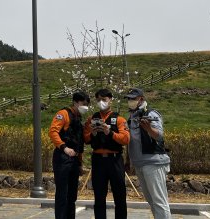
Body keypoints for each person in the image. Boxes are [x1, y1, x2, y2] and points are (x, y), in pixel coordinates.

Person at [124, 88, 171, 219]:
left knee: (159, 201)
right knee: (151, 201)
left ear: (141, 99)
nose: (130, 101)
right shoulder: (131, 118)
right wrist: (128, 161)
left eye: (133, 98)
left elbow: (159, 136)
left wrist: (148, 128)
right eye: (129, 98)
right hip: (139, 164)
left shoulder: (151, 114)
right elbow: (131, 141)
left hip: (153, 162)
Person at [84, 88, 130, 219]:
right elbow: (86, 139)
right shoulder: (92, 118)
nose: (101, 102)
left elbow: (126, 139)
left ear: (110, 100)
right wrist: (92, 134)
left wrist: (109, 132)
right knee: (99, 196)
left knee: (120, 195)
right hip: (98, 160)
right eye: (98, 100)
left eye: (104, 100)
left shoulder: (119, 119)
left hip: (115, 160)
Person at [48, 91, 91, 219]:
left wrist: (80, 163)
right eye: (84, 104)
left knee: (72, 195)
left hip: (74, 160)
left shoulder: (78, 119)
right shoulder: (63, 114)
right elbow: (53, 131)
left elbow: (79, 142)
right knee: (62, 193)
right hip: (63, 157)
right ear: (76, 102)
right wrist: (63, 147)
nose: (85, 107)